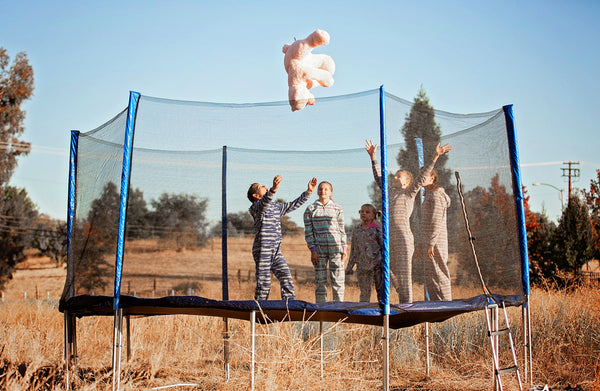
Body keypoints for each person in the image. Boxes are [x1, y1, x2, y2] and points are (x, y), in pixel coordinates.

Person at [366, 139, 452, 303]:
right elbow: (379, 178)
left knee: (405, 273)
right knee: (388, 268)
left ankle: (407, 304)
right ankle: (400, 293)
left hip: (404, 238)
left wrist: (435, 156)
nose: (395, 177)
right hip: (389, 237)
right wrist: (373, 157)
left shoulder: (410, 193)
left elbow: (422, 176)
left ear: (407, 182)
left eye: (399, 176)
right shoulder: (389, 193)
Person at [248, 175, 317, 301]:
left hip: (276, 251)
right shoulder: (256, 208)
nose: (264, 186)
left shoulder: (276, 207)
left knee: (286, 276)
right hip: (263, 250)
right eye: (260, 187)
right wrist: (273, 189)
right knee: (264, 283)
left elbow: (293, 204)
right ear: (256, 196)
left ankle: (290, 306)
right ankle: (259, 309)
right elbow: (265, 203)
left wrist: (308, 192)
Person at [303, 181, 347, 303]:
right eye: (321, 189)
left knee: (338, 281)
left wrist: (344, 249)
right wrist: (313, 250)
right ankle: (321, 310)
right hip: (319, 250)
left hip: (336, 249)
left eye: (326, 189)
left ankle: (338, 309)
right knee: (320, 281)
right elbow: (308, 232)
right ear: (317, 192)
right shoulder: (310, 209)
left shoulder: (337, 208)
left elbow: (342, 230)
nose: (323, 191)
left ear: (331, 192)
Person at [417, 168, 452, 301]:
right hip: (429, 241)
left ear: (432, 178)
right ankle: (435, 304)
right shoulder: (429, 195)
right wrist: (422, 243)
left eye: (424, 175)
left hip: (436, 241)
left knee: (439, 273)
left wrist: (431, 243)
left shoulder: (436, 195)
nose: (421, 178)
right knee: (431, 275)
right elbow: (426, 223)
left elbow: (436, 221)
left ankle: (445, 305)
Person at [345, 204, 383, 302]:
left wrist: (385, 264)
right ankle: (364, 312)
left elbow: (383, 247)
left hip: (377, 265)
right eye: (362, 211)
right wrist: (350, 267)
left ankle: (383, 314)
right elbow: (353, 249)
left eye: (367, 212)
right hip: (362, 266)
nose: (364, 213)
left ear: (373, 215)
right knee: (364, 293)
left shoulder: (377, 229)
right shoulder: (357, 230)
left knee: (381, 291)